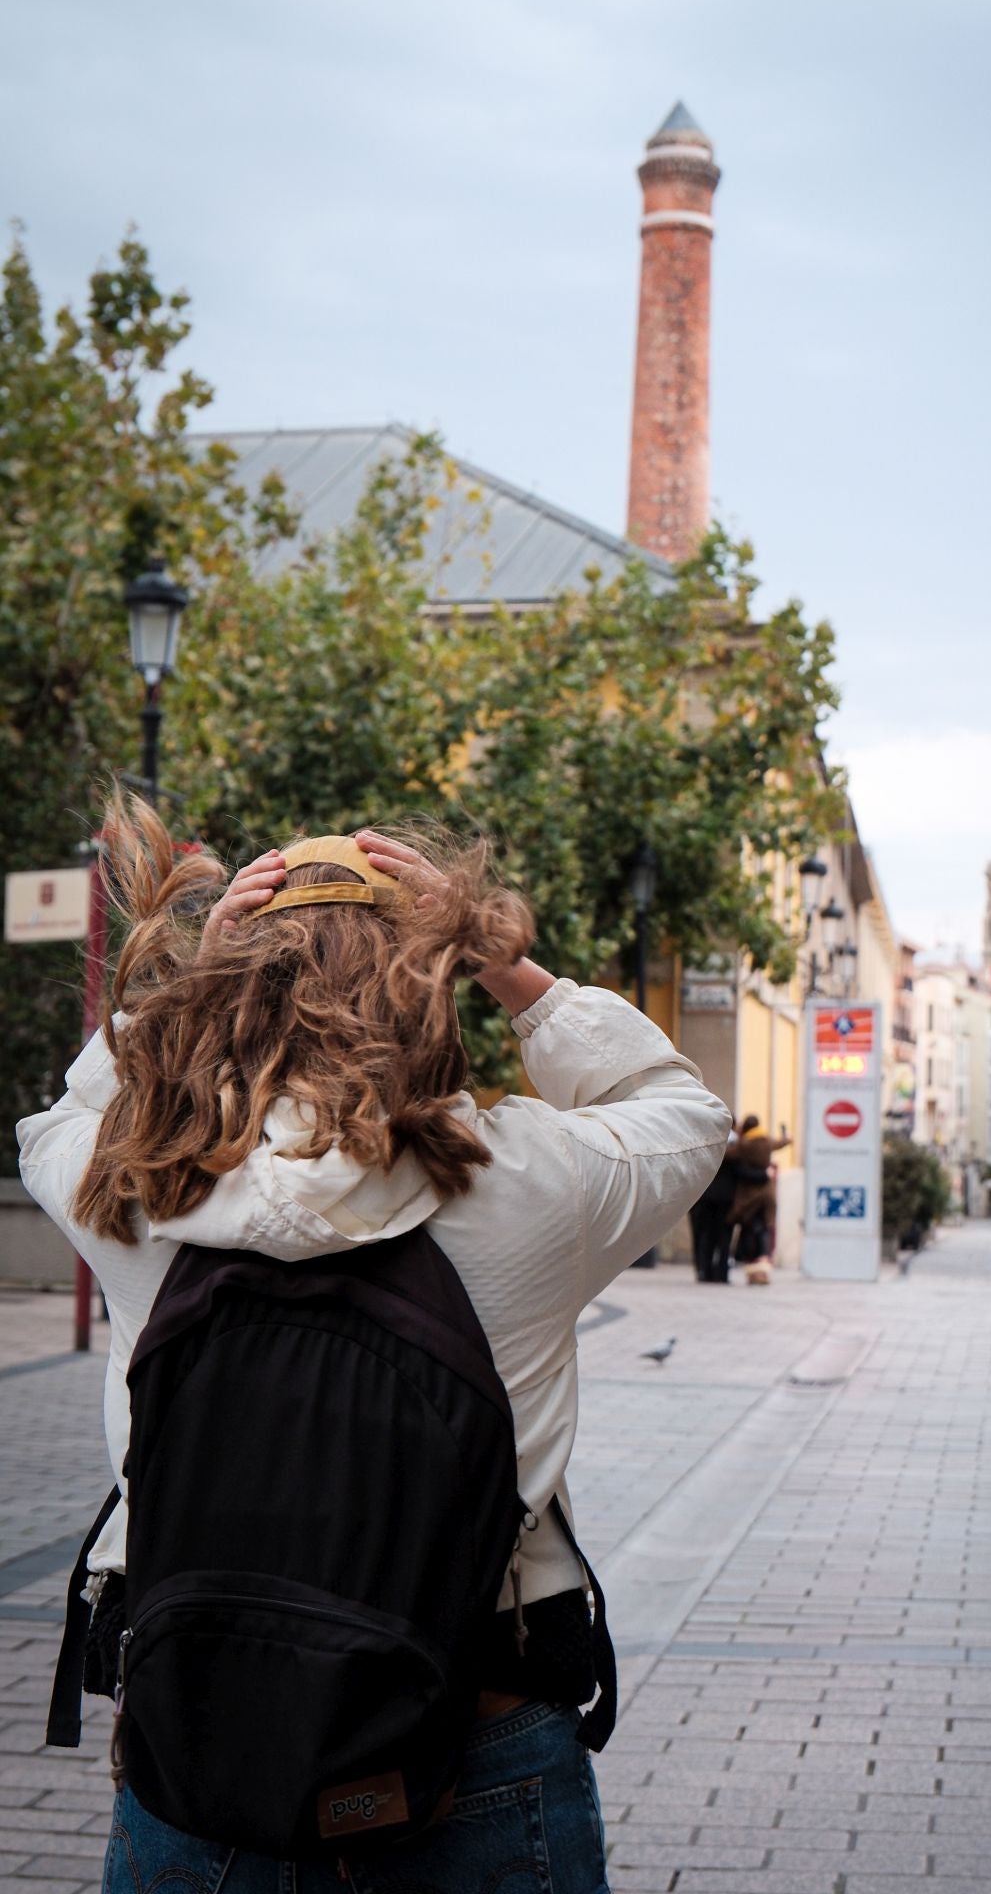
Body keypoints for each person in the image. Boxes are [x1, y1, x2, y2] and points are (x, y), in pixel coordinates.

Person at [17, 804, 730, 1893]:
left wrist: (184, 989)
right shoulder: (527, 1182)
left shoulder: (133, 1182)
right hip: (476, 1733)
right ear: (432, 982)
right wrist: (513, 972)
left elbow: (57, 1122)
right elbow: (678, 1109)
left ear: (228, 991)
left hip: (199, 1746)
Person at [727, 1115, 790, 1283]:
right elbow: (783, 1142)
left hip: (750, 1195)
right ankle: (762, 1265)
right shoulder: (767, 1141)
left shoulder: (745, 1144)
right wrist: (786, 1135)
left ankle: (753, 1268)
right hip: (767, 1192)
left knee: (750, 1229)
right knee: (763, 1229)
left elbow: (727, 1154)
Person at [689, 1120, 739, 1282]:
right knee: (723, 1237)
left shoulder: (706, 1144)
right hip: (725, 1198)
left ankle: (705, 1271)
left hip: (705, 1197)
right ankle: (721, 1273)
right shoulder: (736, 1148)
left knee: (706, 1236)